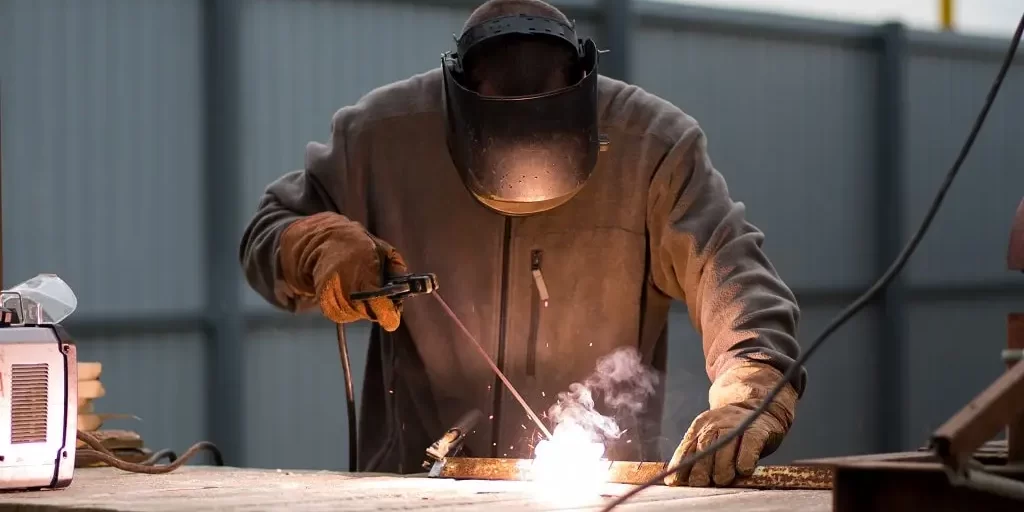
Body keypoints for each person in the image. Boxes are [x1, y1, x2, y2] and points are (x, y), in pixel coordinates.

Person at [239, 0, 806, 488]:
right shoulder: (382, 137)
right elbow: (265, 235)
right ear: (459, 98)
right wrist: (314, 245)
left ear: (583, 95)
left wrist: (750, 390)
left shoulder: (652, 147)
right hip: (417, 486)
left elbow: (728, 267)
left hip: (606, 488)